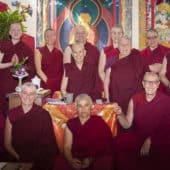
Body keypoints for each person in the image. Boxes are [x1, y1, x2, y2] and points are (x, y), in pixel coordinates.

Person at [113, 72, 170, 170]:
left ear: (158, 84)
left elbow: (167, 127)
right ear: (143, 84)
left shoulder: (166, 100)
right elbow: (126, 124)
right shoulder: (135, 98)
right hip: (139, 136)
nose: (151, 85)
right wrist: (120, 113)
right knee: (118, 144)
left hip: (159, 137)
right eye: (147, 82)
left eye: (154, 82)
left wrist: (150, 140)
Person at [4, 82, 59, 170]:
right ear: (20, 94)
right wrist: (20, 159)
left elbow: (49, 145)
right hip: (17, 157)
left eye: (31, 94)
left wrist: (33, 162)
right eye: (25, 93)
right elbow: (7, 144)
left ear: (35, 96)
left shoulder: (44, 114)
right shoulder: (11, 114)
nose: (28, 96)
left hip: (40, 159)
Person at [54, 93, 113, 170]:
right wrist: (71, 160)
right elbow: (67, 146)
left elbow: (105, 144)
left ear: (91, 107)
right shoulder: (71, 123)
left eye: (86, 105)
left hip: (96, 157)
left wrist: (91, 159)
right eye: (80, 106)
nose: (83, 109)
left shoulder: (99, 122)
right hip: (75, 156)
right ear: (76, 107)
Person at [0, 22, 35, 115]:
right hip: (3, 85)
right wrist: (11, 64)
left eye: (18, 30)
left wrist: (19, 68)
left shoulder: (27, 49)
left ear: (22, 32)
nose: (16, 32)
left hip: (19, 87)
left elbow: (32, 70)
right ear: (9, 32)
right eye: (13, 30)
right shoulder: (2, 45)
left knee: (18, 113)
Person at [109, 35, 144, 113]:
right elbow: (107, 81)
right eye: (122, 44)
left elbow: (145, 72)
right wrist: (108, 100)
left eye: (127, 44)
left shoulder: (136, 55)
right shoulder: (112, 60)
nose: (125, 47)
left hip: (135, 95)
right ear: (118, 46)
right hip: (118, 96)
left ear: (131, 46)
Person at [34, 28, 63, 95]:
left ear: (55, 37)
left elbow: (62, 71)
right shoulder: (38, 51)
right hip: (45, 83)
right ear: (44, 37)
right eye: (47, 36)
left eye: (52, 35)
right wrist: (48, 82)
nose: (50, 37)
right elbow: (38, 70)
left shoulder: (60, 53)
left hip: (57, 84)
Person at [98, 25, 123, 101]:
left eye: (119, 33)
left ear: (122, 35)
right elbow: (101, 71)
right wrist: (109, 84)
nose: (116, 35)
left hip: (122, 85)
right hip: (107, 85)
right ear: (111, 35)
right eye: (114, 33)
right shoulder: (105, 50)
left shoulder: (126, 50)